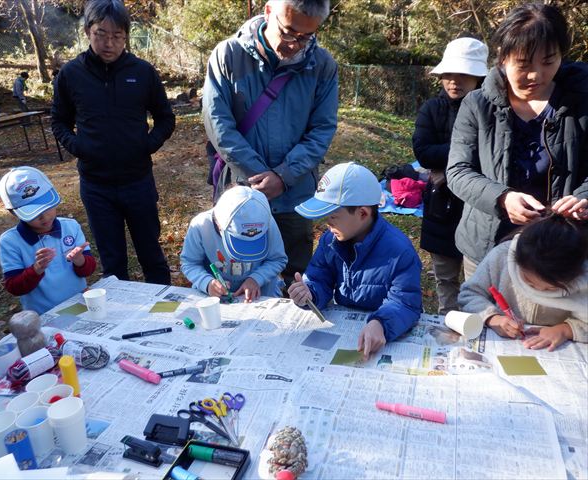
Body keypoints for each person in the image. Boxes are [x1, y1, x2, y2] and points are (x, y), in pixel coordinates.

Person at [202, 0, 339, 290]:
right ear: (268, 13)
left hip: (295, 193)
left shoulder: (323, 66)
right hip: (241, 189)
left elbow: (322, 130)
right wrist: (259, 176)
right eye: (288, 32)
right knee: (235, 271)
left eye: (306, 37)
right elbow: (219, 126)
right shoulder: (228, 56)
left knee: (297, 275)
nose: (295, 45)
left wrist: (284, 177)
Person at [446, 3, 588, 280]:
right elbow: (458, 171)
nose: (536, 75)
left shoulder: (581, 101)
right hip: (487, 244)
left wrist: (583, 198)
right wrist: (502, 198)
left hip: (562, 247)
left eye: (548, 61)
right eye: (523, 64)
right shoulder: (477, 105)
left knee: (553, 321)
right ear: (503, 58)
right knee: (487, 315)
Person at [51, 0, 175, 285]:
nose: (109, 43)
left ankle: (167, 317)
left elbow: (166, 118)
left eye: (117, 36)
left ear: (126, 36)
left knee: (152, 256)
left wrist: (145, 145)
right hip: (96, 186)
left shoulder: (143, 72)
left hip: (138, 181)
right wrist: (80, 147)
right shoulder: (71, 74)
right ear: (87, 31)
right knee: (113, 263)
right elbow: (58, 121)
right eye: (101, 34)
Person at [287, 162, 422, 358]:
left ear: (363, 213)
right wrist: (310, 292)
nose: (327, 223)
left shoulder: (399, 251)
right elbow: (319, 277)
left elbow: (405, 303)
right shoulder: (330, 240)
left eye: (333, 217)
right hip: (343, 326)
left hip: (377, 334)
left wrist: (381, 324)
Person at [412, 37, 488, 314]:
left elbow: (494, 153)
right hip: (441, 206)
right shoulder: (432, 108)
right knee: (445, 277)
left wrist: (451, 169)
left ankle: (474, 325)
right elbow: (423, 152)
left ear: (478, 77)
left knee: (476, 280)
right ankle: (447, 319)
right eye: (449, 75)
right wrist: (465, 153)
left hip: (478, 205)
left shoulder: (491, 109)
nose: (454, 81)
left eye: (463, 75)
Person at [458, 214, 587, 352]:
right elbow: (469, 293)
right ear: (516, 261)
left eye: (550, 289)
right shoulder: (502, 257)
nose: (539, 290)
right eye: (529, 283)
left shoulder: (583, 276)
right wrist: (492, 318)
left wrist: (566, 330)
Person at [0, 166, 97, 314]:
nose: (44, 217)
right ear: (14, 212)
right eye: (34, 214)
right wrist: (36, 269)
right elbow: (14, 287)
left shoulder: (70, 227)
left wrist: (80, 260)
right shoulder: (11, 241)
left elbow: (88, 270)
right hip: (44, 313)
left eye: (47, 208)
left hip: (80, 304)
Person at [181, 186, 287, 302]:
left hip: (260, 294)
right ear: (219, 224)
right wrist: (207, 283)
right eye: (238, 240)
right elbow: (190, 263)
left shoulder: (268, 225)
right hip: (213, 296)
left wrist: (256, 279)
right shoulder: (201, 226)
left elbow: (277, 259)